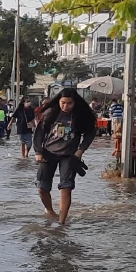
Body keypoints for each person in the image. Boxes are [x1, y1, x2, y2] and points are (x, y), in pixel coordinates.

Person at [33, 88, 97, 225]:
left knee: (66, 187)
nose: (65, 106)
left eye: (69, 103)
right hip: (48, 153)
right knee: (42, 188)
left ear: (75, 103)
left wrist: (80, 150)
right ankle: (49, 210)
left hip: (69, 156)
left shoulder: (81, 116)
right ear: (59, 101)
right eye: (63, 103)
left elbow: (90, 133)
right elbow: (39, 133)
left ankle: (61, 223)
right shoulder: (51, 113)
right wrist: (38, 152)